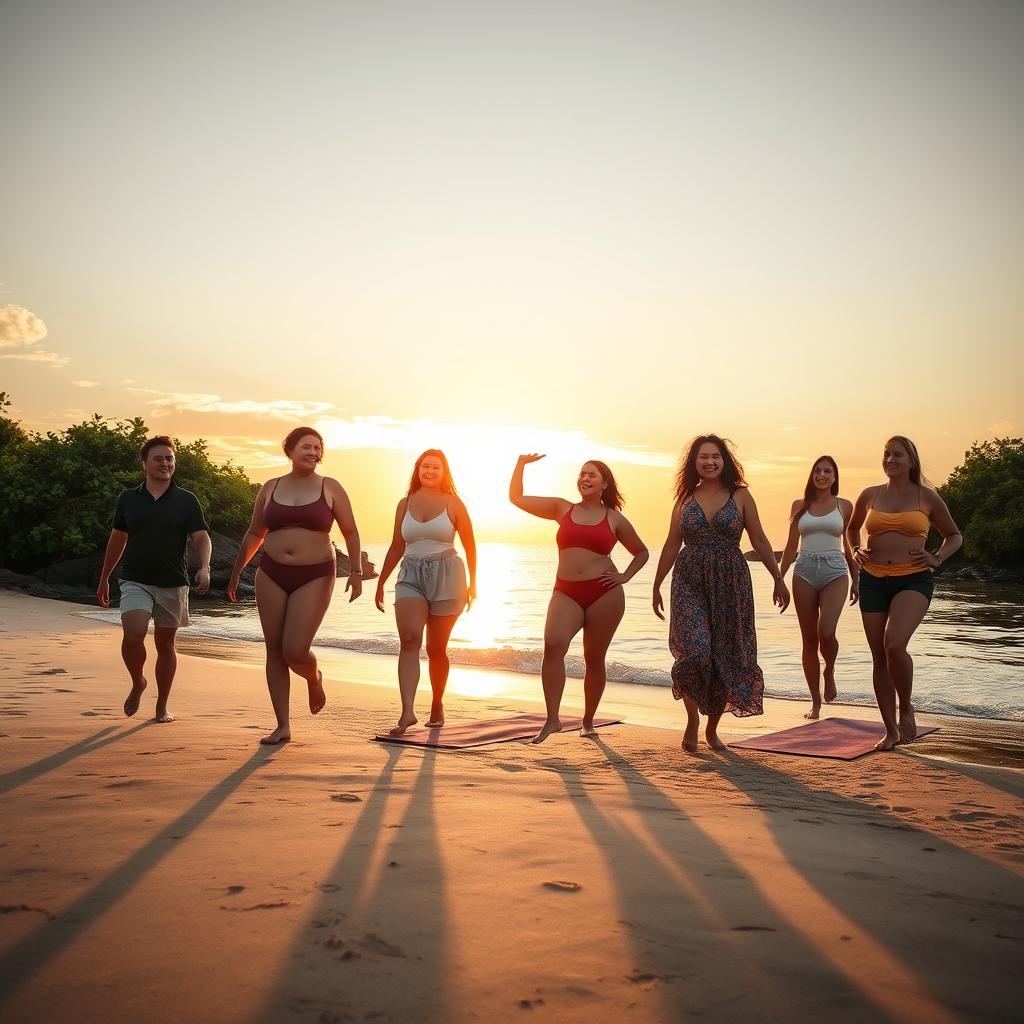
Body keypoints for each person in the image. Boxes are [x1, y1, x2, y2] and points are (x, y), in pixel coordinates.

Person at [652, 435, 789, 753]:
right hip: (688, 579)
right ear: (694, 462)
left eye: (715, 456)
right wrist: (657, 583)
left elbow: (760, 539)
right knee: (695, 652)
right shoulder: (685, 498)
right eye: (703, 457)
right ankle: (692, 721)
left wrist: (778, 578)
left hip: (730, 583)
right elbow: (673, 542)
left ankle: (712, 730)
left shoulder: (740, 495)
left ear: (724, 460)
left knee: (724, 656)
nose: (710, 462)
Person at [227, 427, 362, 745]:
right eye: (307, 446)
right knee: (274, 651)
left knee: (295, 650)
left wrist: (355, 571)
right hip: (271, 572)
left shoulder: (330, 487)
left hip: (315, 574)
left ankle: (313, 676)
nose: (314, 452)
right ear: (290, 450)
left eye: (318, 448)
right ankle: (282, 725)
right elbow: (254, 532)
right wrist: (236, 573)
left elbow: (351, 532)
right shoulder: (270, 487)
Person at [510, 454, 648, 743]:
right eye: (582, 474)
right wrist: (521, 464)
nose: (585, 478)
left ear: (604, 484)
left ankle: (588, 721)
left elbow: (642, 552)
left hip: (605, 594)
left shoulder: (615, 519)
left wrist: (625, 576)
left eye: (592, 475)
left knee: (594, 657)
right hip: (566, 591)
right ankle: (552, 719)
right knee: (553, 644)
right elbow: (516, 498)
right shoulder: (562, 508)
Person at [847, 436, 961, 750]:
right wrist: (855, 549)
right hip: (872, 579)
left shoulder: (928, 497)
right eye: (886, 454)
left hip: (913, 580)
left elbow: (954, 535)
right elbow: (852, 528)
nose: (890, 459)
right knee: (879, 657)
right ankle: (890, 731)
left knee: (894, 644)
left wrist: (937, 556)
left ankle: (906, 706)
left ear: (911, 460)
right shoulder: (870, 494)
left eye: (897, 455)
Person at [97, 435, 212, 723]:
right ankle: (138, 681)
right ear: (144, 464)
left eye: (170, 458)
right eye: (159, 458)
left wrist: (205, 567)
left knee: (165, 645)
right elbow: (118, 538)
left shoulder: (187, 500)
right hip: (135, 579)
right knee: (133, 634)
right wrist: (104, 578)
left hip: (173, 582)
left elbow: (201, 537)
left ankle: (162, 706)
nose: (165, 463)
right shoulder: (128, 498)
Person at [374, 450, 477, 736]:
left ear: (444, 472)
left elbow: (469, 544)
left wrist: (474, 584)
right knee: (409, 640)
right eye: (425, 466)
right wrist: (381, 581)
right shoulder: (404, 504)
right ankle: (407, 711)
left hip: (448, 575)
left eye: (436, 467)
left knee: (436, 649)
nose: (430, 471)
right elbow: (397, 545)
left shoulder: (454, 503)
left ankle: (437, 703)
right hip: (410, 575)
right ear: (418, 469)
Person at [778, 456, 857, 719]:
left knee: (827, 632)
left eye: (828, 471)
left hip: (836, 571)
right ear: (812, 475)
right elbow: (790, 547)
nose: (822, 475)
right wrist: (779, 579)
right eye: (817, 471)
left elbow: (849, 547)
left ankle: (829, 670)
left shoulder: (844, 505)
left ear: (835, 477)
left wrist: (857, 579)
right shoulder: (799, 505)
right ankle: (815, 701)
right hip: (804, 572)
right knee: (809, 640)